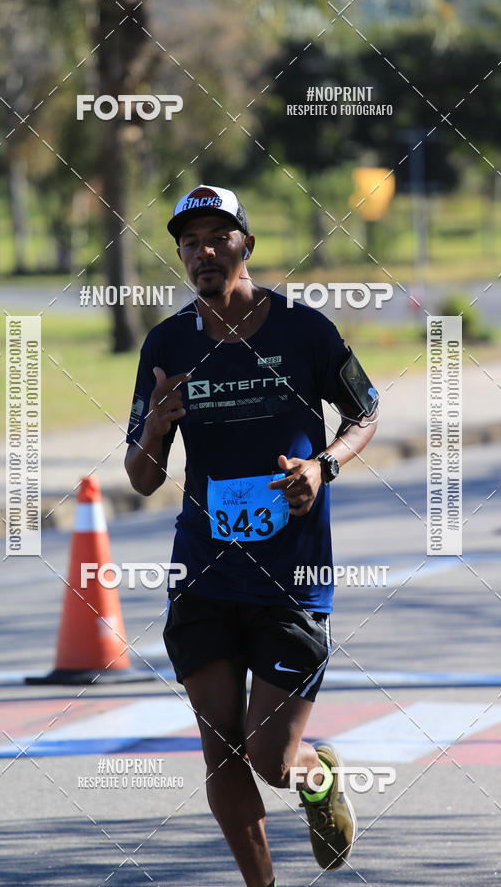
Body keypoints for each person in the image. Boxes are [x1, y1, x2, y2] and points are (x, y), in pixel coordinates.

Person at [124, 185, 378, 887]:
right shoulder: (167, 343)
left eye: (217, 236)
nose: (203, 251)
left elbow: (367, 410)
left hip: (293, 578)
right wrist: (154, 430)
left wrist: (322, 467)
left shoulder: (304, 330)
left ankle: (314, 773)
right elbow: (142, 480)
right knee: (221, 754)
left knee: (269, 760)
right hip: (203, 571)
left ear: (246, 244)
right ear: (179, 255)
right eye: (189, 241)